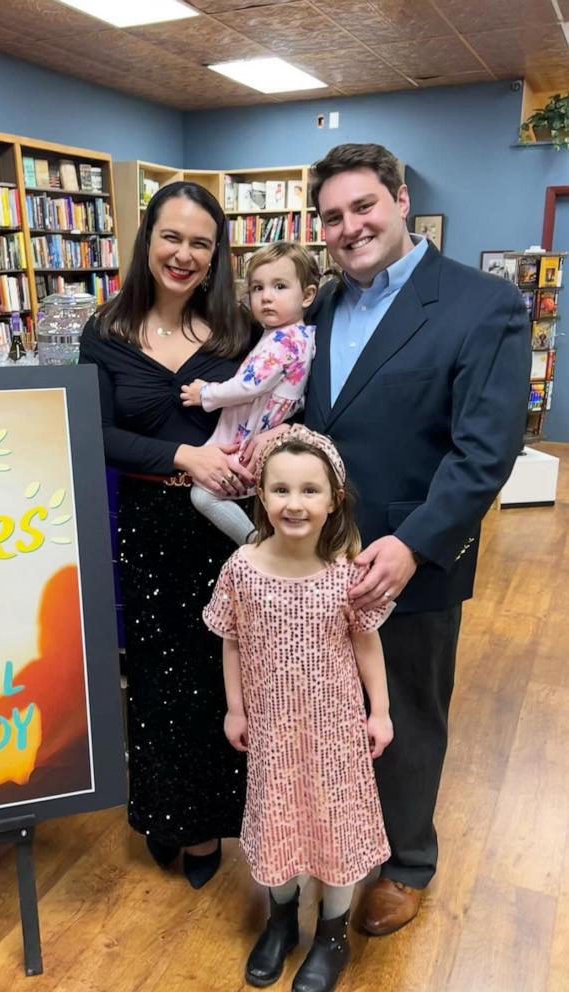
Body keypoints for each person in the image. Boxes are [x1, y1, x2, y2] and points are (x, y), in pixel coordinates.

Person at [248, 143, 530, 934]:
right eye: (332, 216)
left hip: (410, 563)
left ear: (401, 200)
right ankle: (336, 841)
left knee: (403, 712)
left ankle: (406, 862)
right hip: (312, 559)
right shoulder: (321, 308)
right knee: (328, 711)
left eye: (364, 206)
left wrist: (411, 546)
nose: (350, 226)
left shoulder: (484, 305)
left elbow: (485, 452)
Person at [78, 181, 256, 889]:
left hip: (227, 530)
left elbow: (279, 406)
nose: (184, 255)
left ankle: (208, 824)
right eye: (171, 237)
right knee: (154, 680)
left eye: (201, 244)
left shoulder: (243, 333)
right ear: (147, 240)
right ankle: (163, 813)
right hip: (149, 526)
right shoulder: (106, 331)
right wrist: (182, 455)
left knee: (220, 679)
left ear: (217, 257)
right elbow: (95, 433)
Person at [204, 426, 394, 992]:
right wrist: (235, 709)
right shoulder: (242, 567)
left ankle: (332, 934)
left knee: (334, 826)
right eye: (281, 489)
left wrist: (379, 710)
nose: (294, 503)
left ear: (333, 499)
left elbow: (367, 643)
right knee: (277, 820)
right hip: (271, 731)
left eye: (309, 490)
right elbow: (232, 640)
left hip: (335, 731)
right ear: (260, 496)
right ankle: (281, 919)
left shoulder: (347, 572)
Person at [180, 242, 317, 544]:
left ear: (307, 295)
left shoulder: (283, 341)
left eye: (279, 286)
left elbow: (249, 386)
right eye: (257, 288)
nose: (266, 297)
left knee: (203, 495)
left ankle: (253, 541)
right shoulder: (296, 335)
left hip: (250, 432)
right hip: (262, 425)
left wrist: (205, 394)